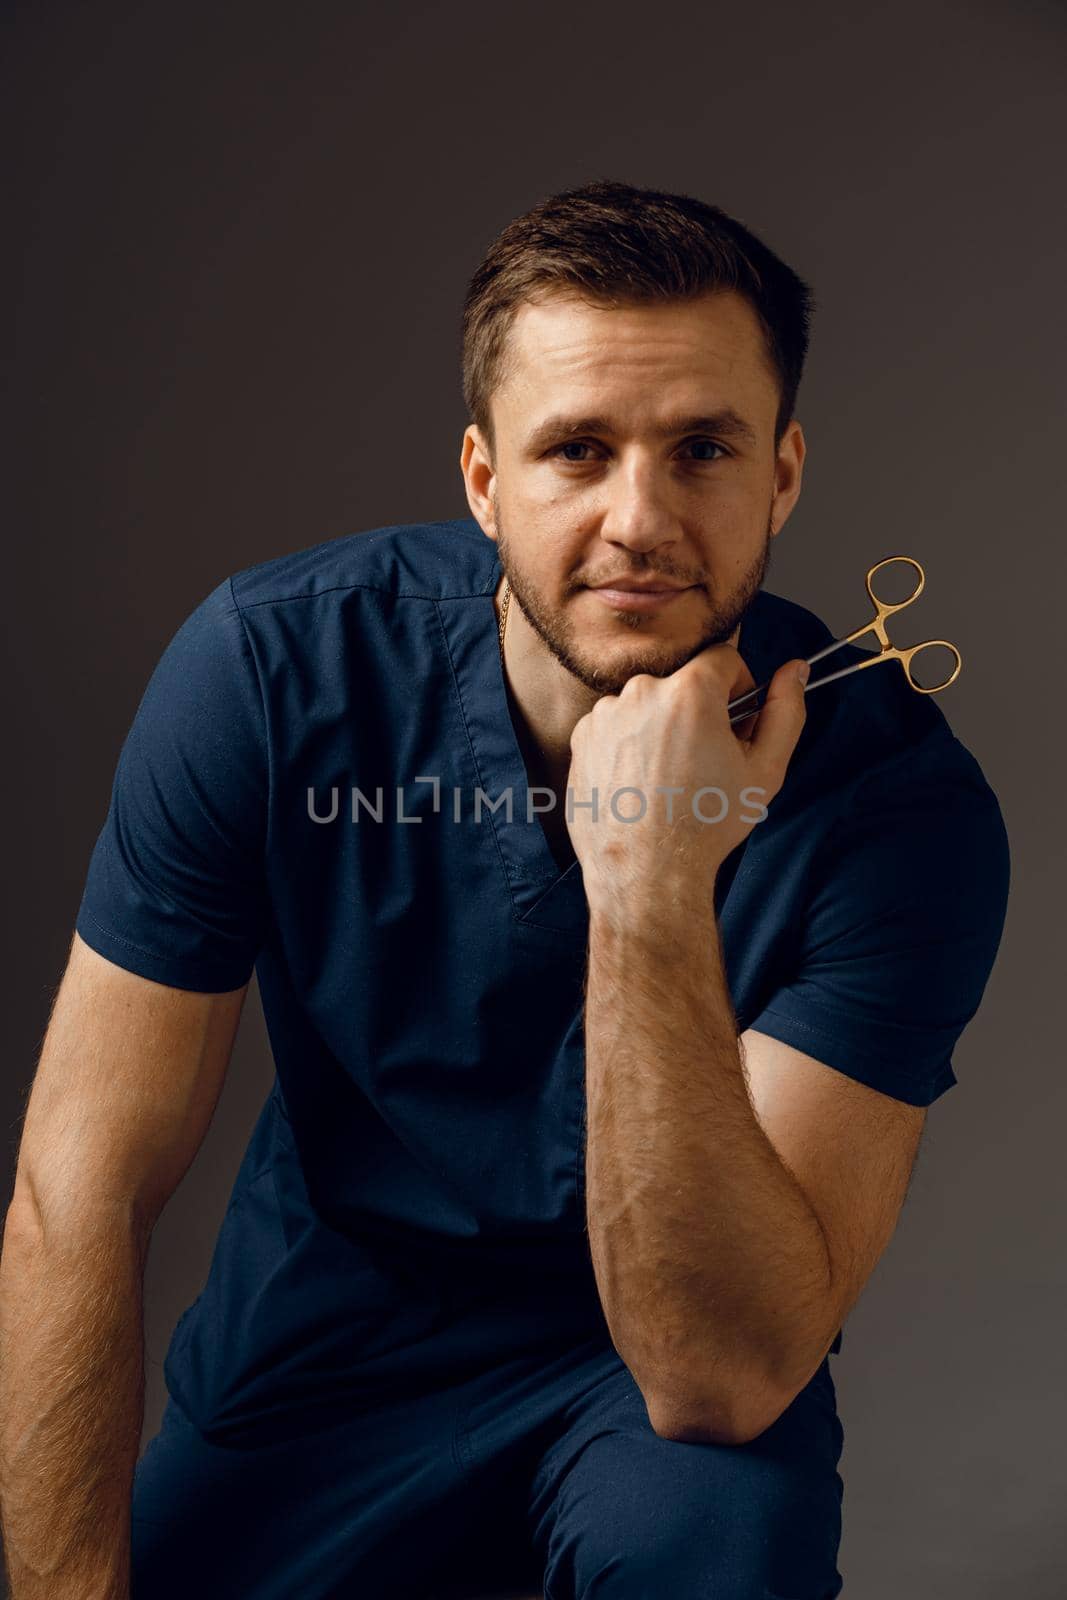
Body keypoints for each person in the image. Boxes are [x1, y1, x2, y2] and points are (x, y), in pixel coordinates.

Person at [0, 180, 1010, 1600]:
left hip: (648, 1388)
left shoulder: (896, 810)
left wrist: (650, 885)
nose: (638, 520)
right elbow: (77, 1187)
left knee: (721, 1546)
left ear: (782, 472)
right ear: (484, 481)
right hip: (317, 1360)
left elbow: (720, 1376)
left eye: (702, 449)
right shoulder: (273, 676)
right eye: (577, 451)